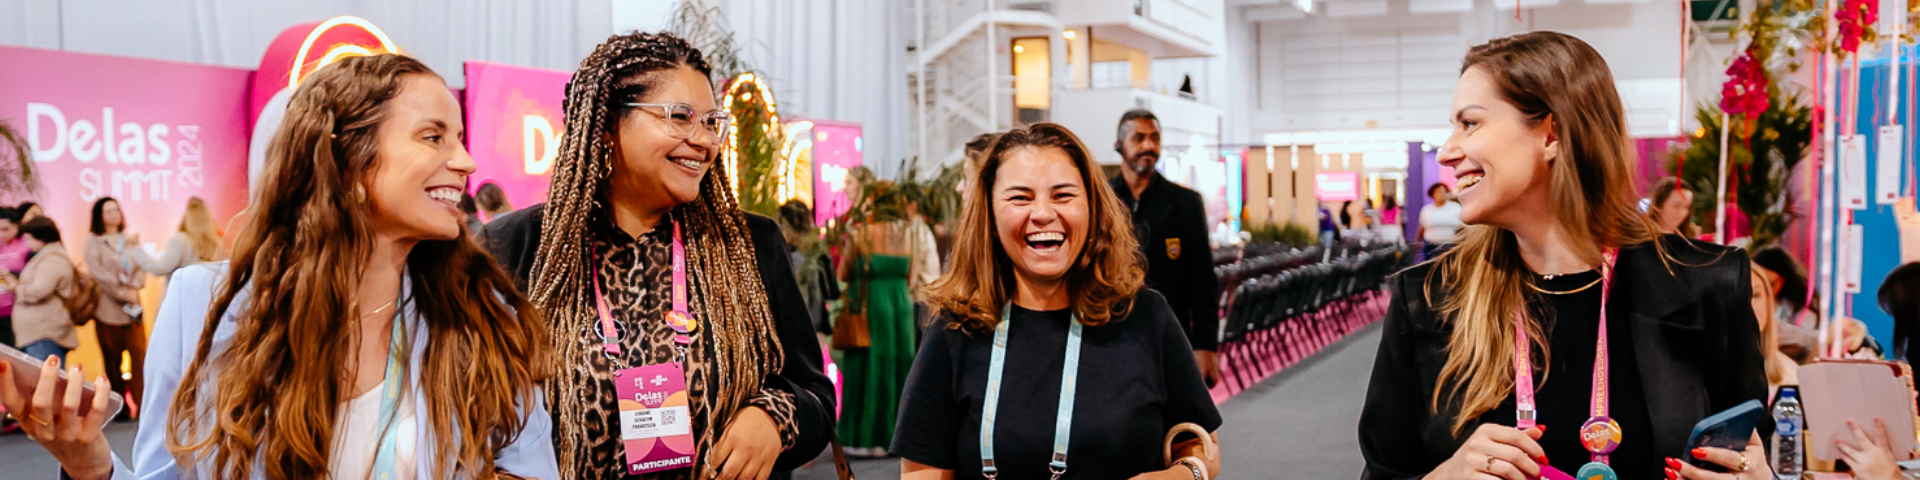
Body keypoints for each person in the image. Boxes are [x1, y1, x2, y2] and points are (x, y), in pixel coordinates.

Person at [2, 53, 561, 480]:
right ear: (349, 161)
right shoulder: (203, 305)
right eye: (433, 137)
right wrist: (90, 464)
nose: (465, 162)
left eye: (459, 138)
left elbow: (531, 466)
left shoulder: (483, 314)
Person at [1358, 31, 1772, 480]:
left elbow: (1751, 454)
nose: (1448, 151)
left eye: (1470, 123)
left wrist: (1757, 476)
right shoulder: (1429, 300)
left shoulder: (1706, 284)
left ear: (1551, 134)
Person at [479, 32, 833, 480]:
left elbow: (815, 393)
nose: (704, 141)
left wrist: (775, 418)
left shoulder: (749, 244)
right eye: (680, 117)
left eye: (711, 122)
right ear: (608, 125)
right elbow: (470, 406)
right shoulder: (515, 248)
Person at [897, 123, 1223, 480]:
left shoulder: (1145, 316)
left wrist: (1183, 475)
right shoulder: (955, 326)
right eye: (1020, 198)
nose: (1042, 213)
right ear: (990, 215)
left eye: (1063, 195)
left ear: (1092, 207)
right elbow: (921, 469)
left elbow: (1200, 443)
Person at [1107, 108, 1222, 387]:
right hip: (1111, 335)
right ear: (1119, 145)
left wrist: (1206, 345)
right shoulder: (1102, 201)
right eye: (1139, 138)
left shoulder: (1186, 203)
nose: (1148, 145)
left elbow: (1203, 281)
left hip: (1171, 336)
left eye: (1154, 138)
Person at [835, 184, 917, 458]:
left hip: (871, 308)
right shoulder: (906, 235)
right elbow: (911, 276)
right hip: (900, 306)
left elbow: (844, 272)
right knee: (898, 366)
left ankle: (865, 438)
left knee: (867, 367)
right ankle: (896, 438)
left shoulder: (860, 234)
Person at [85, 196, 147, 415]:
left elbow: (142, 266)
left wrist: (135, 287)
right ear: (99, 216)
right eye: (108, 211)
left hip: (133, 309)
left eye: (116, 210)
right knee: (113, 361)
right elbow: (98, 275)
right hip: (108, 309)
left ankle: (143, 406)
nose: (114, 215)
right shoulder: (93, 242)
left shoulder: (130, 239)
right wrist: (122, 293)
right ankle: (119, 408)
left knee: (139, 357)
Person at [12, 217, 76, 362]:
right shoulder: (47, 256)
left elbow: (38, 291)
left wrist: (15, 287)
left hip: (45, 332)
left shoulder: (53, 260)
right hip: (41, 331)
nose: (27, 244)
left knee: (47, 373)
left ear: (41, 238)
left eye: (29, 239)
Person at [126, 197, 221, 279]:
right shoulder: (217, 243)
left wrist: (136, 248)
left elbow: (159, 269)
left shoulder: (180, 240)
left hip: (183, 293)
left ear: (186, 217)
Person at [0, 207, 29, 348]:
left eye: (5, 229)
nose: (1, 234)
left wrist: (11, 274)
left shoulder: (27, 245)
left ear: (16, 226)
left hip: (18, 311)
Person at [1417, 182, 1462, 259]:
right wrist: (1418, 241)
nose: (1441, 194)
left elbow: (1463, 226)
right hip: (1432, 246)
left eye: (1443, 192)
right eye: (1438, 192)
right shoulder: (1427, 210)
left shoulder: (1456, 207)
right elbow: (1422, 227)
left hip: (1451, 246)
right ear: (1433, 194)